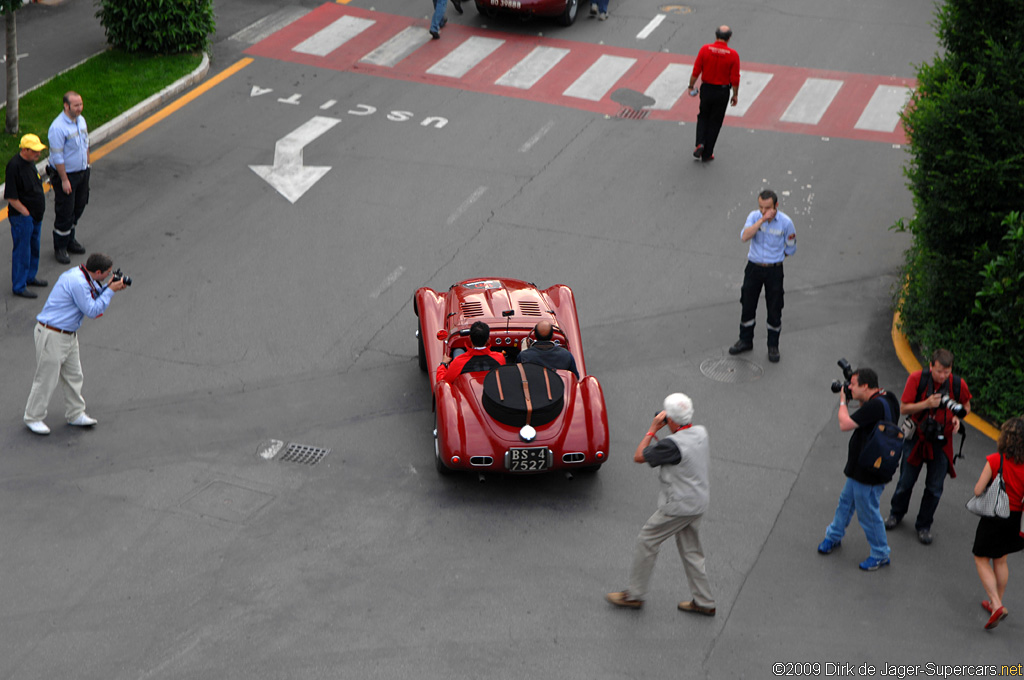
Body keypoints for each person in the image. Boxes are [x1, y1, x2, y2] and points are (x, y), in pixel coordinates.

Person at [606, 393, 716, 615]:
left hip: (678, 507)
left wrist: (652, 430)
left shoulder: (670, 446)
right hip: (698, 502)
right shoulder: (701, 432)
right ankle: (704, 602)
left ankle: (634, 595)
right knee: (691, 552)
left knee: (647, 540)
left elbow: (639, 456)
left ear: (671, 420)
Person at [23, 253, 128, 435]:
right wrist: (110, 291)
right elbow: (92, 310)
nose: (108, 276)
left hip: (67, 335)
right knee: (46, 379)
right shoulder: (78, 282)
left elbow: (93, 295)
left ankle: (75, 414)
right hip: (52, 334)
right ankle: (33, 417)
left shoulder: (84, 276)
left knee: (74, 376)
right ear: (97, 271)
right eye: (107, 273)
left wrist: (109, 287)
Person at [885, 349, 972, 545]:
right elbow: (904, 407)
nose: (943, 376)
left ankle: (924, 525)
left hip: (943, 440)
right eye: (939, 371)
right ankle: (895, 514)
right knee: (906, 481)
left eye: (947, 372)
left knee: (934, 487)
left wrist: (957, 418)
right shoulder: (917, 379)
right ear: (931, 366)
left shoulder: (958, 384)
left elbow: (966, 406)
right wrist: (926, 403)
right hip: (917, 436)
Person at [817, 368, 900, 571]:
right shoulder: (887, 397)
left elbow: (845, 423)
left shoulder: (874, 407)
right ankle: (833, 536)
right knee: (845, 502)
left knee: (868, 513)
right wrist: (854, 394)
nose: (849, 387)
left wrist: (843, 400)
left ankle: (880, 553)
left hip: (869, 472)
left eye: (853, 384)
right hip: (863, 466)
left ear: (865, 386)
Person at [727, 189, 797, 363]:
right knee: (748, 304)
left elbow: (790, 248)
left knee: (774, 307)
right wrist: (761, 220)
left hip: (774, 270)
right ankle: (745, 340)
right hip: (754, 268)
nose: (764, 211)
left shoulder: (786, 223)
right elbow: (744, 237)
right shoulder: (754, 217)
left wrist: (776, 259)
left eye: (768, 208)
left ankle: (773, 346)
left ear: (776, 206)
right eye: (761, 207)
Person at [970, 417, 1024, 630]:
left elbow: (977, 490)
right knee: (1000, 560)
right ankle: (995, 603)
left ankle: (997, 604)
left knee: (981, 558)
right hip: (1015, 520)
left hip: (994, 516)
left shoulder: (995, 460)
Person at [47, 91, 91, 265]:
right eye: (76, 105)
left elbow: (86, 143)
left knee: (79, 205)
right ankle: (60, 246)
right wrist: (64, 179)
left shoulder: (81, 120)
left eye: (81, 104)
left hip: (82, 172)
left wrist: (88, 164)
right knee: (65, 210)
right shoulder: (58, 128)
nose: (79, 108)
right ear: (66, 106)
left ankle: (70, 239)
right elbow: (57, 157)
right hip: (67, 176)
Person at [687, 26, 740, 162]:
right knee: (715, 121)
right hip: (722, 91)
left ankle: (700, 143)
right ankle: (708, 153)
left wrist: (691, 85)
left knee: (703, 116)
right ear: (729, 38)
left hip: (707, 89)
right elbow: (735, 78)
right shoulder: (733, 55)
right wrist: (735, 94)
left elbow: (696, 70)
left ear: (716, 35)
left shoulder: (705, 49)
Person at [5, 134, 49, 299]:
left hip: (35, 216)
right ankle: (19, 285)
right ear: (25, 150)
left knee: (34, 248)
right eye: (35, 151)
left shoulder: (30, 163)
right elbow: (11, 196)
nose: (38, 154)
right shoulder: (14, 166)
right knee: (22, 251)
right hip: (23, 218)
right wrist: (25, 212)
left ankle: (30, 276)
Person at [436, 321, 505, 381]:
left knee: (458, 351)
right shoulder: (500, 358)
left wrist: (443, 364)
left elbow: (442, 381)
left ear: (469, 338)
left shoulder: (458, 361)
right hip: (493, 394)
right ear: (488, 340)